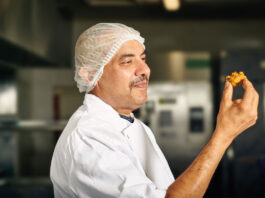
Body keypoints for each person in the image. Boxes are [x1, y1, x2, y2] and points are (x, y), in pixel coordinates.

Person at [50, 23, 259, 198]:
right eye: (127, 61)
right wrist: (223, 135)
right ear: (89, 75)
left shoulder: (132, 125)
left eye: (143, 58)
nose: (145, 70)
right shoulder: (88, 139)